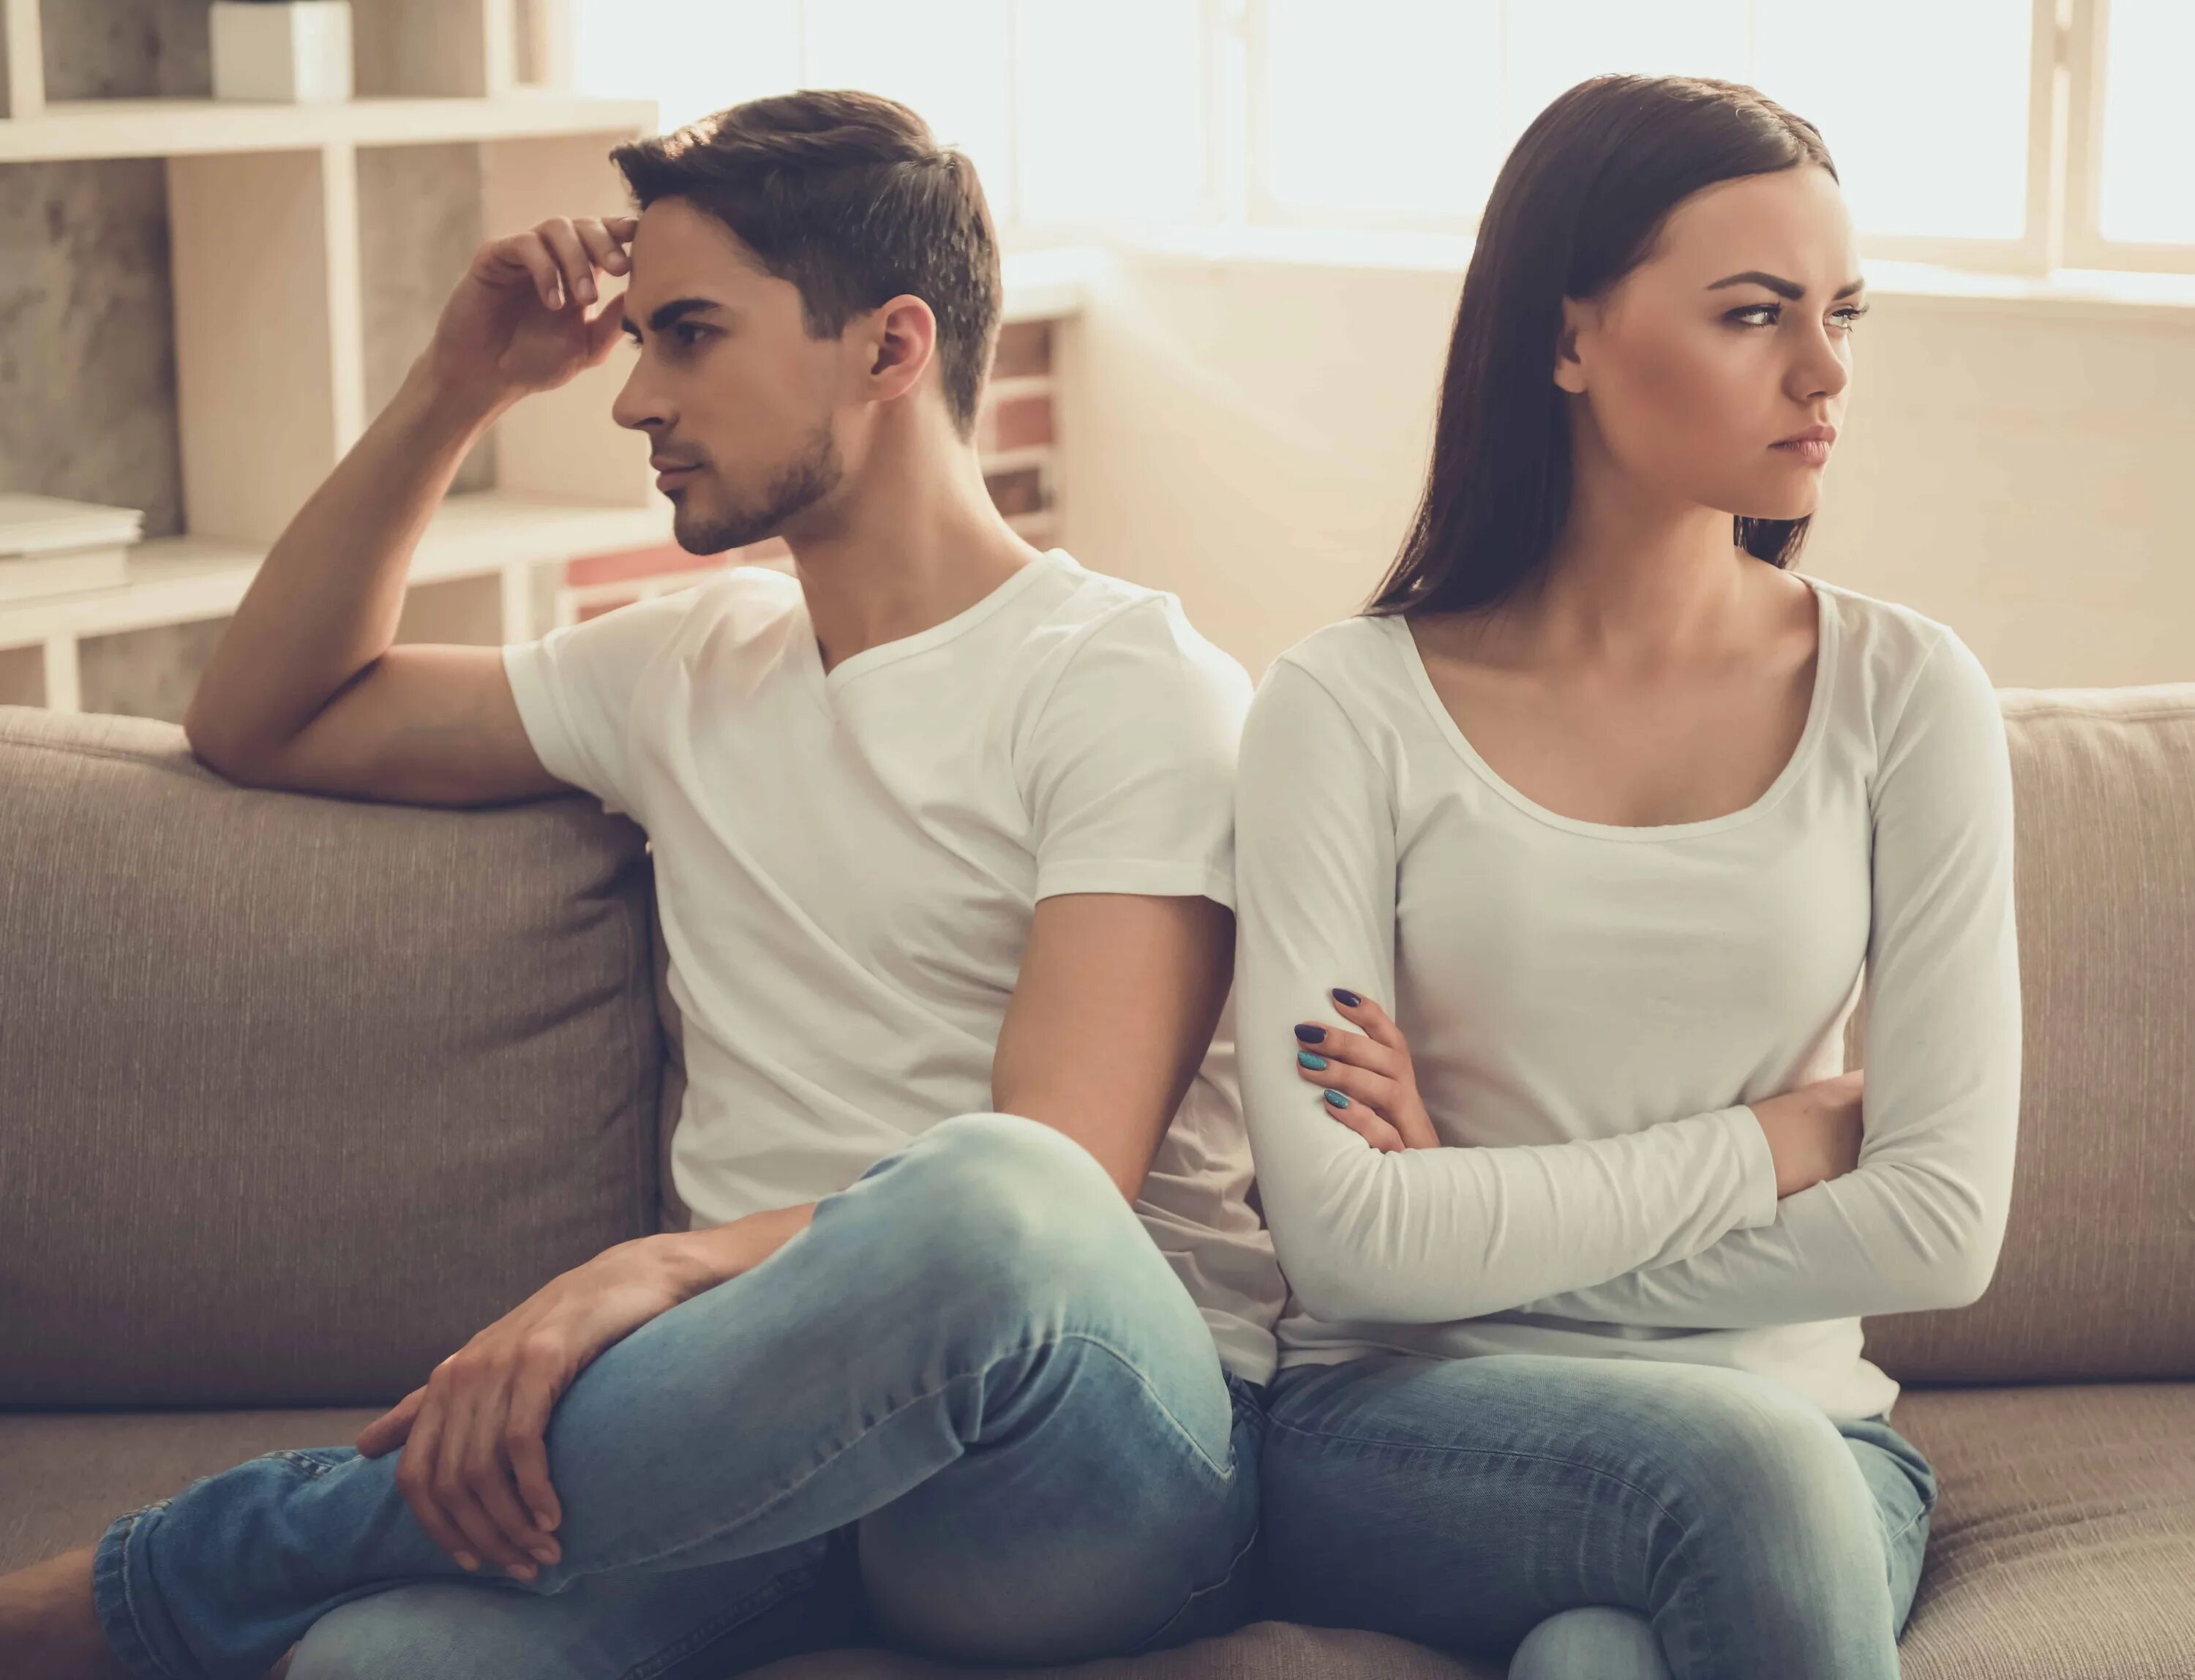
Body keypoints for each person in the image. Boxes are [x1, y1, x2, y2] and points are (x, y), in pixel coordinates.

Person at [0, 90, 1283, 1680]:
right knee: (377, 1665)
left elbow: (1058, 1187)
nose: (634, 400)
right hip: (754, 1453)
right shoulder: (689, 662)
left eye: (688, 336)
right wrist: (456, 383)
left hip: (1076, 1452)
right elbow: (259, 715)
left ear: (890, 349)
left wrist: (651, 1265)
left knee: (985, 1194)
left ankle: (145, 1586)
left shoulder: (1127, 681)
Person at [1231, 75, 2020, 1680]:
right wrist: (1772, 1141)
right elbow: (1353, 1253)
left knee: (1601, 1656)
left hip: (1802, 1423)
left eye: (1842, 312)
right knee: (1740, 1472)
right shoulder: (1339, 707)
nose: (1826, 372)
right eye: (1754, 313)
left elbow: (1940, 1225)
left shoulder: (1908, 692)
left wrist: (1481, 1210)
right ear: (1569, 335)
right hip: (1409, 1426)